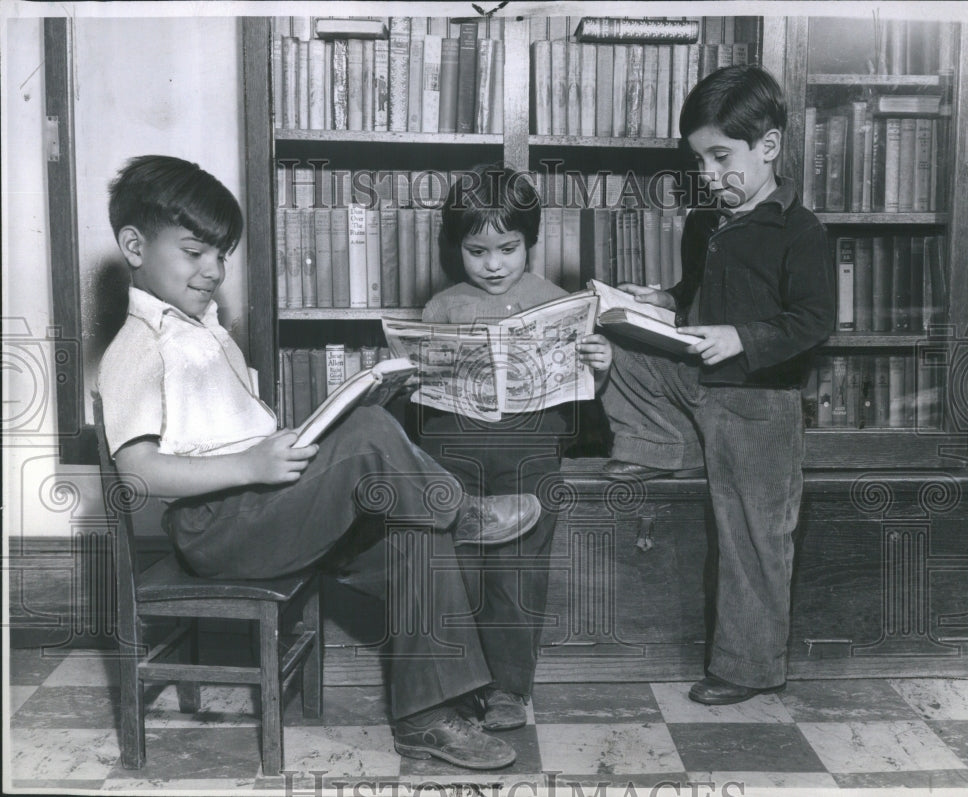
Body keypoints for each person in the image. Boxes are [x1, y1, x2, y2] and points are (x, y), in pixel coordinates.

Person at [96, 154, 546, 769]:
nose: (213, 269)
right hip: (217, 528)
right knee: (368, 435)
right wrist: (253, 467)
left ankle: (425, 718)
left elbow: (234, 434)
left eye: (221, 255)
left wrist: (293, 440)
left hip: (259, 511)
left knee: (410, 531)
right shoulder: (136, 347)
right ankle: (458, 510)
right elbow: (138, 474)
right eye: (196, 252)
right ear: (134, 245)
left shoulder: (201, 328)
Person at [600, 66, 836, 704]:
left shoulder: (801, 231)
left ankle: (750, 667)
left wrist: (745, 338)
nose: (708, 173)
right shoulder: (706, 223)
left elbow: (814, 321)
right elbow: (693, 296)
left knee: (753, 537)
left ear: (769, 147)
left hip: (761, 407)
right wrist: (662, 302)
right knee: (610, 342)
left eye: (721, 156)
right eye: (699, 158)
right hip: (696, 383)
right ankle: (659, 447)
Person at [415, 163, 613, 730]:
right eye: (478, 251)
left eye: (508, 248)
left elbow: (578, 392)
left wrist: (599, 367)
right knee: (460, 573)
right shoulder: (443, 307)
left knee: (518, 574)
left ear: (531, 242)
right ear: (458, 248)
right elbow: (426, 394)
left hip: (530, 456)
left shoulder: (556, 302)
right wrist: (416, 371)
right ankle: (461, 686)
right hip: (454, 455)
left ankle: (509, 691)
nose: (494, 264)